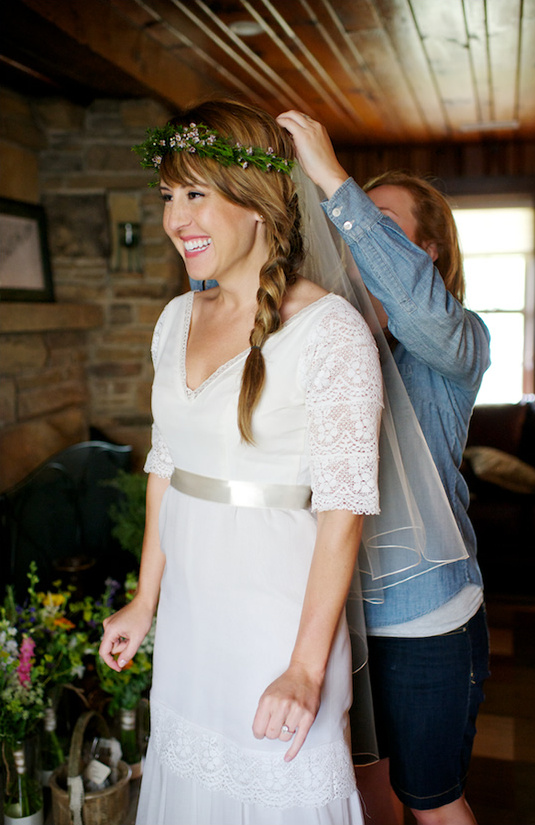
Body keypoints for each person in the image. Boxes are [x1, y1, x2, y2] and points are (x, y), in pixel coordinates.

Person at [98, 99, 384, 825]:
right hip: (193, 636)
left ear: (256, 202)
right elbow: (166, 467)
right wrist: (144, 598)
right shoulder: (172, 321)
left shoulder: (329, 333)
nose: (175, 219)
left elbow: (343, 513)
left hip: (278, 640)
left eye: (197, 193)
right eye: (168, 196)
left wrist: (305, 668)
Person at [276, 111, 491, 825]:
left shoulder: (455, 342)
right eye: (354, 224)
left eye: (382, 224)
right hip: (341, 615)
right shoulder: (327, 341)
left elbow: (413, 306)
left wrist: (336, 182)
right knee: (365, 796)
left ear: (429, 253)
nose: (357, 236)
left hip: (428, 616)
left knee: (430, 801)